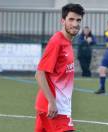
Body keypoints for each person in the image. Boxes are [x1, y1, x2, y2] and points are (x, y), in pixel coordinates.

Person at [34, 3, 85, 132]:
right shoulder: (57, 42)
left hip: (55, 107)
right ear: (63, 21)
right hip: (54, 109)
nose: (75, 24)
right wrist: (51, 102)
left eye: (78, 20)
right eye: (71, 19)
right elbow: (39, 74)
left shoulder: (67, 43)